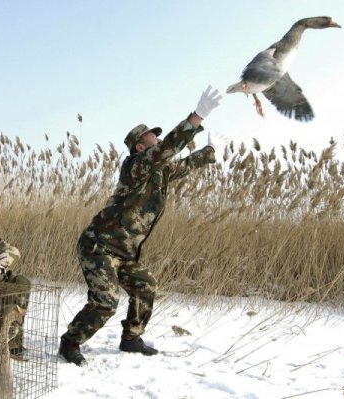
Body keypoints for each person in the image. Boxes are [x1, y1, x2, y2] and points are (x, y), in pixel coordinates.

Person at [58, 86, 223, 366]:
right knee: (106, 301)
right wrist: (196, 118)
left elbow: (183, 164)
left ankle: (131, 338)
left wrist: (210, 151)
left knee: (146, 286)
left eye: (157, 135)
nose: (157, 138)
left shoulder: (159, 172)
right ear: (139, 146)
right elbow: (167, 149)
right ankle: (70, 343)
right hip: (99, 247)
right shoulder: (134, 167)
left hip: (124, 253)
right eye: (152, 136)